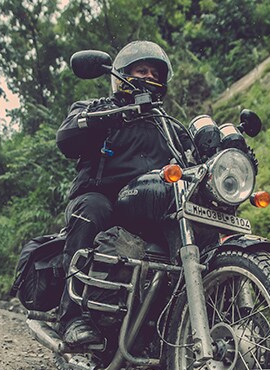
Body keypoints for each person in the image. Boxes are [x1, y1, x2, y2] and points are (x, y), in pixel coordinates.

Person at [54, 40, 191, 346]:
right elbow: (66, 138)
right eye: (141, 70)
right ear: (122, 76)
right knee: (93, 209)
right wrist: (107, 116)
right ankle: (73, 318)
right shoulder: (99, 108)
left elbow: (196, 156)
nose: (149, 77)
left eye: (155, 73)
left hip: (149, 207)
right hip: (103, 199)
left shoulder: (168, 127)